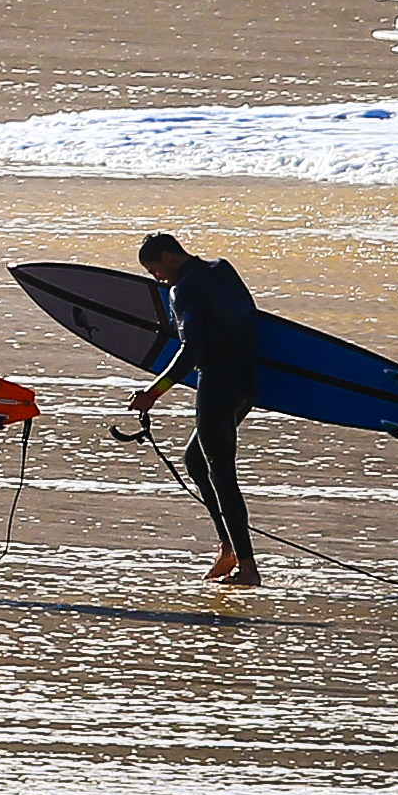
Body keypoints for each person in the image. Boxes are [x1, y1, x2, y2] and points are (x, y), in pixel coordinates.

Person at [134, 232, 261, 587]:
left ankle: (248, 568)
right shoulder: (223, 269)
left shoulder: (183, 290)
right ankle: (228, 548)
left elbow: (192, 350)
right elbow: (249, 317)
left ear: (169, 257)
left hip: (218, 384)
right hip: (247, 382)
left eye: (155, 269)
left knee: (222, 474)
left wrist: (153, 393)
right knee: (195, 461)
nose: (157, 278)